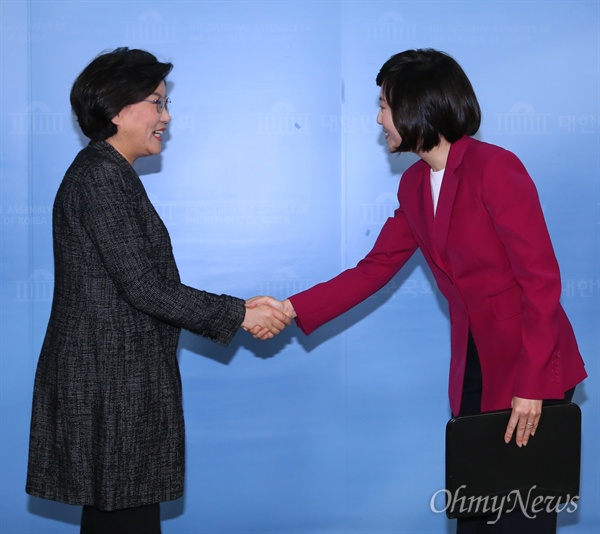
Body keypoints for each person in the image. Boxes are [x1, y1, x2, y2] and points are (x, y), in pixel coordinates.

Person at [248, 49, 587, 532]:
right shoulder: (413, 184)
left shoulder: (496, 168)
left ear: (415, 107)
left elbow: (541, 283)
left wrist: (530, 385)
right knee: (476, 511)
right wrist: (288, 307)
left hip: (530, 364)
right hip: (475, 361)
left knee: (519, 516)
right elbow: (375, 269)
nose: (379, 117)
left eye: (384, 104)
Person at [25, 47, 290, 534]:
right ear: (116, 109)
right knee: (124, 518)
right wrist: (238, 315)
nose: (166, 117)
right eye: (156, 102)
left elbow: (144, 284)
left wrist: (239, 309)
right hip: (109, 383)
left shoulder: (107, 173)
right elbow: (145, 287)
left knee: (121, 516)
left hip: (117, 378)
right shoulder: (102, 177)